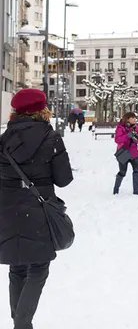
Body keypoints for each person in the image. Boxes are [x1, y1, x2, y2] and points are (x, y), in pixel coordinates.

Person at [0, 88, 73, 329]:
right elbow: (63, 179)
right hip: (38, 208)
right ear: (42, 110)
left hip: (8, 208)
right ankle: (23, 324)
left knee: (17, 267)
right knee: (39, 268)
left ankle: (19, 322)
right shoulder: (51, 137)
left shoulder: (4, 139)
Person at [114, 112, 138, 196]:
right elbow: (117, 140)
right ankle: (116, 189)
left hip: (134, 153)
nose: (135, 120)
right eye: (133, 118)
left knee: (137, 171)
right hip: (123, 152)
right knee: (122, 172)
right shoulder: (120, 127)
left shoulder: (136, 128)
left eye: (135, 118)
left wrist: (137, 139)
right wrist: (127, 136)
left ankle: (136, 190)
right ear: (127, 119)